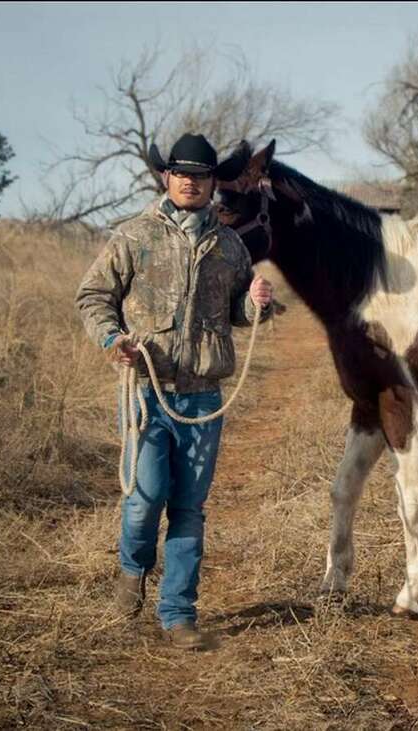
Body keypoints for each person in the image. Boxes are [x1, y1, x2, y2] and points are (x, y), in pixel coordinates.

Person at [75, 133, 273, 650]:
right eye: (181, 173)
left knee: (188, 507)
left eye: (201, 175)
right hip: (145, 391)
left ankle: (179, 613)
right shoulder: (134, 236)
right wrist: (112, 338)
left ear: (212, 182)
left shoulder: (230, 245)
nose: (190, 181)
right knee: (144, 499)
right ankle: (131, 569)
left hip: (203, 397)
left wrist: (256, 302)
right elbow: (93, 295)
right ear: (167, 177)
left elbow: (240, 313)